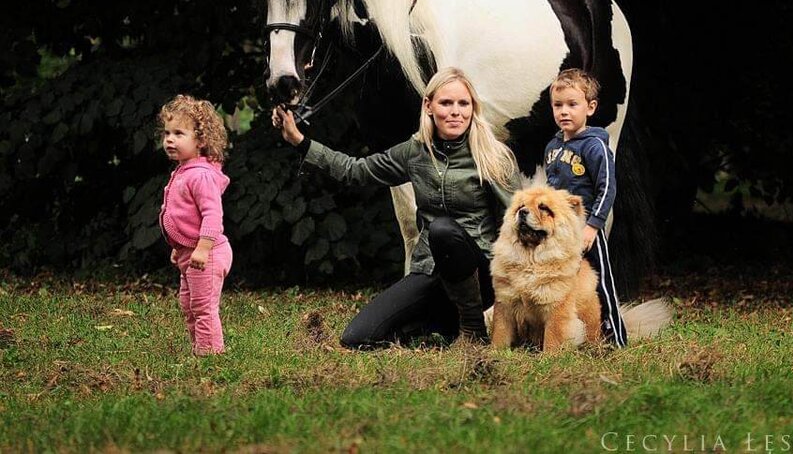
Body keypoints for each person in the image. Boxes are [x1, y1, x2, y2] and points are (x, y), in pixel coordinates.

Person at [273, 67, 520, 347]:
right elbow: (356, 170)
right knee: (357, 338)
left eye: (463, 104)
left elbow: (516, 220)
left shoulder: (493, 156)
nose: (455, 112)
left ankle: (473, 331)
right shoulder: (413, 152)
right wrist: (300, 142)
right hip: (429, 269)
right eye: (446, 103)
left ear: (473, 108)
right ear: (428, 106)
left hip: (480, 273)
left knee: (443, 230)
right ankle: (438, 327)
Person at [544, 69, 628, 347]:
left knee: (601, 282)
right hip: (558, 232)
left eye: (572, 104)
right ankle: (572, 335)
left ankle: (615, 338)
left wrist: (593, 225)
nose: (564, 111)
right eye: (558, 105)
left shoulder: (595, 146)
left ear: (590, 107)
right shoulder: (552, 147)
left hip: (585, 228)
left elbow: (608, 188)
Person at [158, 95, 232, 355]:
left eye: (179, 133)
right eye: (167, 133)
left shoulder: (201, 175)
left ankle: (210, 353)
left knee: (202, 306)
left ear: (200, 141)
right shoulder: (184, 169)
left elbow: (213, 216)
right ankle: (199, 347)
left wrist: (202, 248)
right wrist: (179, 246)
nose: (169, 139)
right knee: (188, 303)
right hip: (190, 252)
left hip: (208, 253)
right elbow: (184, 216)